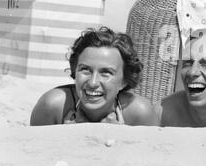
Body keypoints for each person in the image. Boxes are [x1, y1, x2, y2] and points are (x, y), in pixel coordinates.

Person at [30, 27, 159, 126]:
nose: (93, 83)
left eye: (106, 73)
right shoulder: (54, 106)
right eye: (85, 70)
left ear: (124, 81)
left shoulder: (139, 113)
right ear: (75, 71)